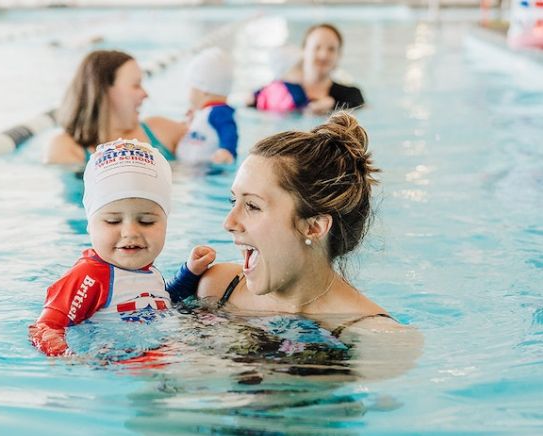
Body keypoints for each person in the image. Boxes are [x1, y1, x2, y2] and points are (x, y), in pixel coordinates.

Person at [196, 112, 420, 379]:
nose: (229, 222)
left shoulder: (378, 341)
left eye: (252, 206)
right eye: (233, 201)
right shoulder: (217, 288)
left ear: (314, 227)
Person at [30, 139, 216, 356]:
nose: (130, 232)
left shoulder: (147, 271)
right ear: (89, 225)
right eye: (113, 221)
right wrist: (68, 358)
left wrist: (190, 273)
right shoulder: (89, 276)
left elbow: (160, 301)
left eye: (146, 221)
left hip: (154, 355)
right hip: (118, 363)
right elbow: (44, 327)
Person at [45, 50, 186, 164]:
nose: (145, 94)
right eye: (136, 85)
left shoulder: (162, 131)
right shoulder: (67, 148)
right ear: (104, 91)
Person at [250, 24, 365, 114]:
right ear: (304, 51)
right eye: (317, 47)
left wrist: (332, 110)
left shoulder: (351, 97)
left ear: (339, 55)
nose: (323, 55)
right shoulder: (279, 92)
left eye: (331, 49)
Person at [176, 47, 239, 165]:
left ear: (204, 89)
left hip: (205, 169)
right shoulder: (205, 113)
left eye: (191, 87)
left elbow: (228, 130)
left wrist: (227, 149)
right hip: (195, 167)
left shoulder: (219, 112)